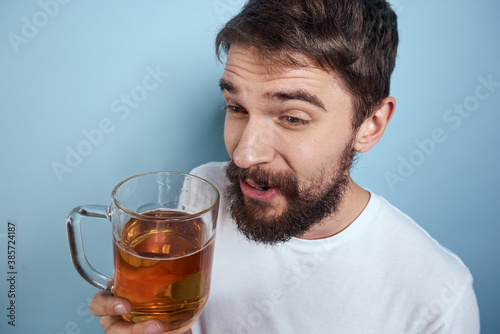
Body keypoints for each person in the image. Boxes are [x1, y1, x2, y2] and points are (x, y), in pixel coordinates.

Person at [90, 0, 480, 333]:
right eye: (236, 108)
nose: (242, 156)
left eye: (292, 117)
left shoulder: (438, 298)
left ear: (370, 125)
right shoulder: (203, 191)